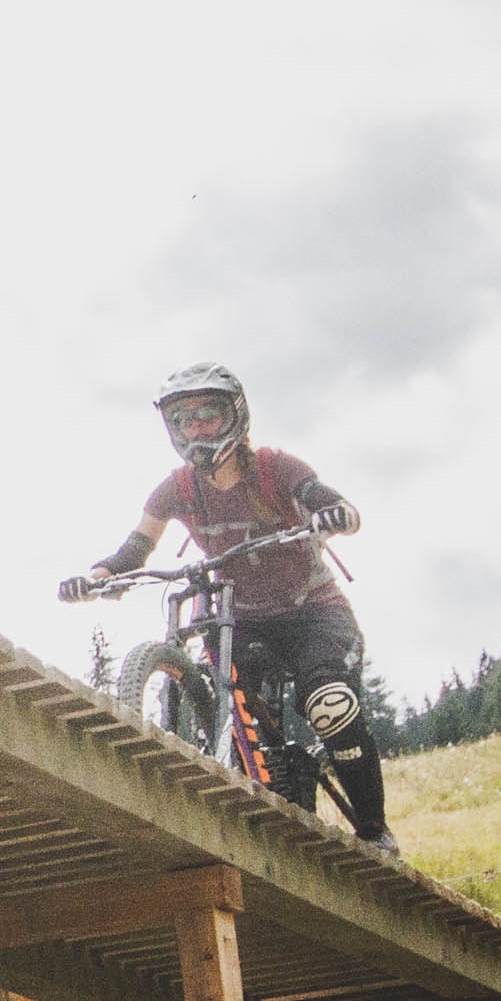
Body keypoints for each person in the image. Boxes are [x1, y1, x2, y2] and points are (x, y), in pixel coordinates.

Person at [59, 363, 398, 854]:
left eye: (208, 416)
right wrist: (96, 578)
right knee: (224, 686)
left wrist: (336, 513)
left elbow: (324, 498)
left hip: (313, 613)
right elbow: (135, 549)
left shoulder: (276, 468)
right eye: (183, 421)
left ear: (235, 416)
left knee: (330, 703)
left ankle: (374, 829)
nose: (196, 429)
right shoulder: (176, 489)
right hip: (244, 619)